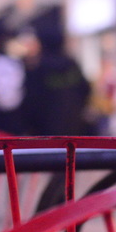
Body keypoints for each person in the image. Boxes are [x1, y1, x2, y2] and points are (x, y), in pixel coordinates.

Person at [21, 8, 92, 136]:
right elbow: (85, 90)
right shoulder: (71, 64)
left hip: (47, 135)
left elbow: (30, 103)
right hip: (74, 131)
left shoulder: (38, 68)